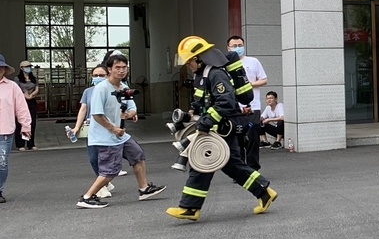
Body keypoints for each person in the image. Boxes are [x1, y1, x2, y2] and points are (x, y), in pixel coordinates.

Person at [165, 36, 277, 221]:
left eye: (189, 61)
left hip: (220, 129)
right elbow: (202, 100)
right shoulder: (202, 74)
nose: (188, 65)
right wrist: (193, 111)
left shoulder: (216, 74)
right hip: (217, 129)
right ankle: (264, 193)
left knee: (201, 164)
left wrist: (206, 123)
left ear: (199, 58)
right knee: (232, 166)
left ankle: (189, 208)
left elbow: (226, 101)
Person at [76, 53, 166, 209]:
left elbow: (133, 108)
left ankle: (144, 189)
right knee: (110, 170)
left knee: (137, 155)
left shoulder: (124, 88)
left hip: (120, 135)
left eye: (124, 67)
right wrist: (113, 128)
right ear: (109, 69)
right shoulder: (101, 89)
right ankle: (87, 197)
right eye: (117, 67)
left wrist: (128, 114)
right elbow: (97, 114)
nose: (121, 70)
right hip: (105, 137)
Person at [71, 65, 114, 198]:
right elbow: (83, 109)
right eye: (95, 75)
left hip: (108, 128)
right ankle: (104, 183)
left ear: (107, 76)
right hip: (92, 129)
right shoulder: (88, 92)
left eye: (101, 75)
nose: (98, 78)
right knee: (93, 158)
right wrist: (76, 127)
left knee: (106, 158)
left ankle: (103, 184)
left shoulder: (112, 90)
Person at [226, 35, 267, 169]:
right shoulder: (224, 64)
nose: (238, 48)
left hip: (252, 106)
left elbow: (264, 80)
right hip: (234, 108)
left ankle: (253, 168)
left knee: (252, 139)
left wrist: (250, 84)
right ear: (228, 48)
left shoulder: (253, 61)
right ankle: (240, 170)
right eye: (234, 46)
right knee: (237, 140)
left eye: (240, 45)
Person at [0, 54, 32, 203]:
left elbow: (21, 107)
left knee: (2, 163)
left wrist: (25, 125)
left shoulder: (12, 86)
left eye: (2, 68)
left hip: (4, 131)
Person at [14, 61, 39, 151]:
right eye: (26, 66)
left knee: (32, 122)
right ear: (21, 68)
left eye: (29, 66)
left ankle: (30, 143)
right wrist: (25, 95)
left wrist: (31, 95)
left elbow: (37, 89)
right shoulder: (17, 79)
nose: (29, 68)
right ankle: (20, 144)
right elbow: (17, 89)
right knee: (20, 122)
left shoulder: (33, 78)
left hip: (32, 101)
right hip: (21, 101)